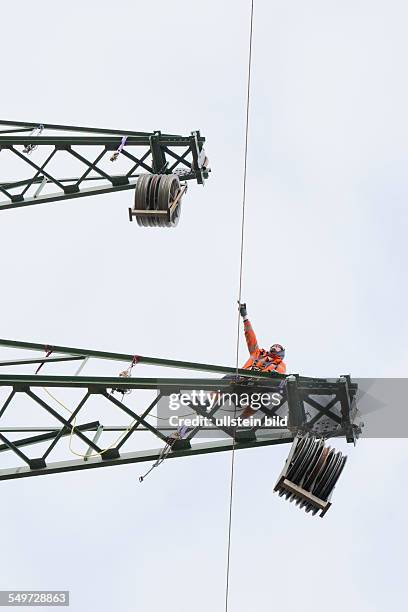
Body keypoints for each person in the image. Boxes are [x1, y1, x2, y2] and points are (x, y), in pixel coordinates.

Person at [238, 303, 286, 419]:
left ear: (281, 352)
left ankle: (240, 419)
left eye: (277, 347)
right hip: (242, 380)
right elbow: (250, 336)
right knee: (225, 380)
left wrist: (274, 375)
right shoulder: (258, 353)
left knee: (259, 400)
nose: (274, 347)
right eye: (273, 346)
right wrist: (245, 317)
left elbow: (280, 372)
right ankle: (207, 403)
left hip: (258, 386)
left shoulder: (279, 363)